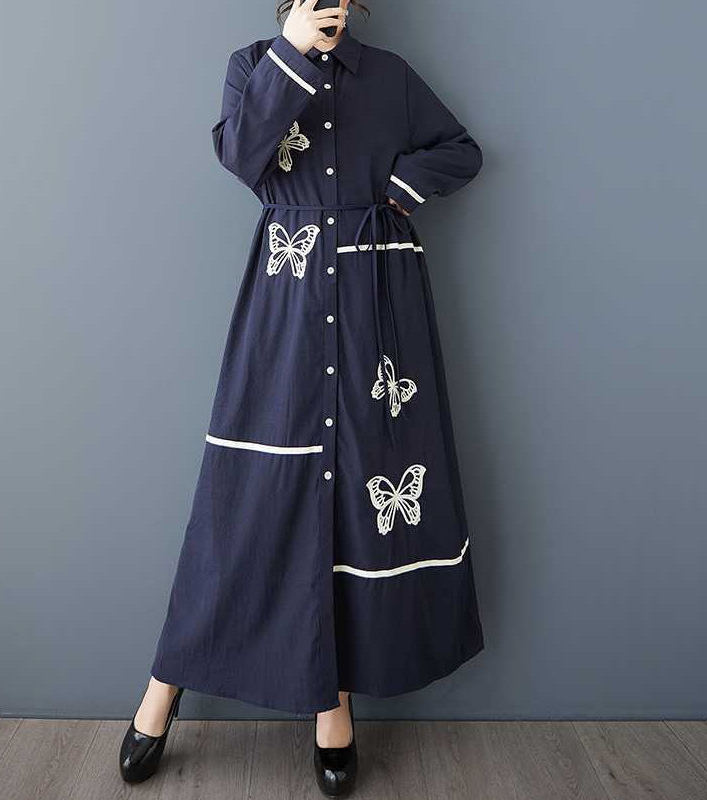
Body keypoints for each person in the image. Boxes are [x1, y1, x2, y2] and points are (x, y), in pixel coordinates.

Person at [119, 1, 485, 795]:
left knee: (357, 493)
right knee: (246, 495)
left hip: (377, 307)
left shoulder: (389, 76)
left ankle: (333, 707)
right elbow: (243, 157)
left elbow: (463, 150)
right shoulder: (253, 67)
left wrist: (402, 186)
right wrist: (289, 53)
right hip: (285, 303)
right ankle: (163, 688)